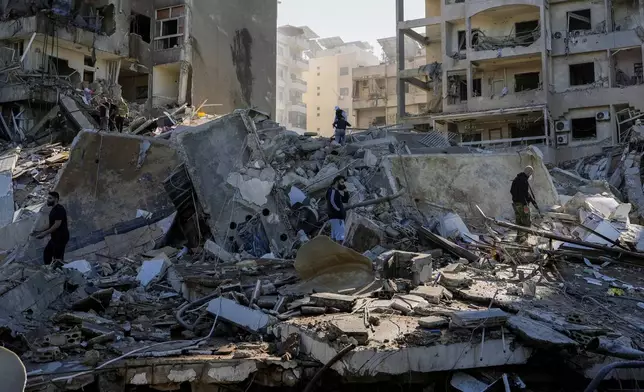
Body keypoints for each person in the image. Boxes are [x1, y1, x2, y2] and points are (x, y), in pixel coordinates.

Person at [32, 192, 69, 267]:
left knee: (58, 259)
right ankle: (49, 271)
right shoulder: (53, 209)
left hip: (61, 237)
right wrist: (38, 231)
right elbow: (50, 224)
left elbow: (56, 225)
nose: (47, 200)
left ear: (56, 199)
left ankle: (59, 274)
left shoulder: (59, 209)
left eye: (50, 198)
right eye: (47, 198)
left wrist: (44, 234)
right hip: (55, 238)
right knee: (47, 253)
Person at [510, 166, 537, 242]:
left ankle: (518, 238)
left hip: (515, 204)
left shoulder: (516, 179)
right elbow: (524, 194)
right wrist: (526, 203)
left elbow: (511, 191)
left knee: (519, 221)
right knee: (526, 221)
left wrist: (517, 198)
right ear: (529, 173)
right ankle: (524, 239)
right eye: (530, 174)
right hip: (523, 205)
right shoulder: (524, 181)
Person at [326, 176, 350, 244]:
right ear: (337, 182)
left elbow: (345, 200)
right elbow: (332, 201)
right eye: (342, 182)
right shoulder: (332, 191)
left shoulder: (336, 191)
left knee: (335, 238)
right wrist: (339, 211)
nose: (343, 184)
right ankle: (336, 252)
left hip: (337, 218)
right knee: (339, 239)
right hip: (337, 217)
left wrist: (345, 191)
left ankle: (333, 252)